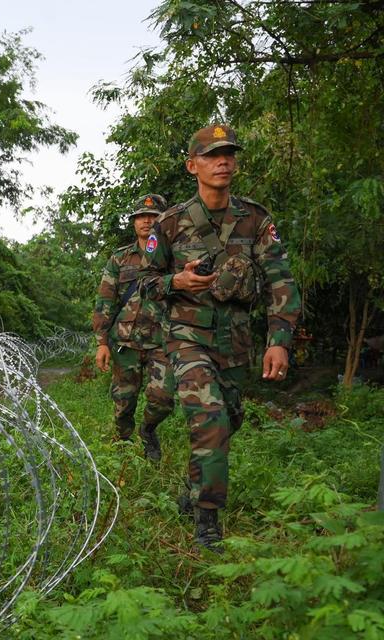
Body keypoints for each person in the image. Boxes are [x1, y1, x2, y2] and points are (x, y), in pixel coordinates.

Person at [138, 124, 301, 551]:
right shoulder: (170, 224)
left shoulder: (256, 219)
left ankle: (194, 488)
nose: (223, 161)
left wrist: (279, 339)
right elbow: (144, 284)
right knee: (209, 419)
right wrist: (176, 281)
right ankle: (207, 524)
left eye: (228, 154)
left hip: (235, 341)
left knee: (229, 419)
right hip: (187, 339)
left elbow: (280, 279)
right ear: (192, 166)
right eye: (212, 155)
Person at [92, 194, 176, 462]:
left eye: (153, 216)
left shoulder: (175, 258)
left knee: (163, 399)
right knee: (123, 401)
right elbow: (105, 301)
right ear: (134, 222)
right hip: (125, 343)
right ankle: (122, 444)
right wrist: (102, 343)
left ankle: (148, 430)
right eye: (141, 216)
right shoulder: (120, 259)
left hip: (162, 341)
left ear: (163, 221)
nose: (147, 221)